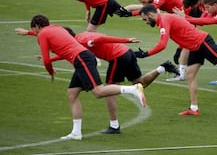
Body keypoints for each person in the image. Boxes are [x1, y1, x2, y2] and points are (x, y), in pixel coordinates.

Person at [15, 27, 179, 134]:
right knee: (140, 82)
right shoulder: (82, 35)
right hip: (127, 53)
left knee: (108, 91)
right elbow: (65, 50)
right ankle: (162, 68)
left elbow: (101, 40)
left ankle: (114, 126)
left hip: (118, 57)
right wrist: (49, 56)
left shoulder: (81, 40)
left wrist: (126, 39)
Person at [25, 14, 146, 140]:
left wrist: (51, 72)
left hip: (82, 59)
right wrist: (27, 33)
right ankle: (76, 133)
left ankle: (133, 89)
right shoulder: (57, 28)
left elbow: (46, 60)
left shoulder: (43, 34)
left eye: (34, 30)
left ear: (37, 27)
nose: (35, 33)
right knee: (72, 94)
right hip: (82, 59)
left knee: (98, 92)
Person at [125, 0, 187, 81]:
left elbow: (150, 11)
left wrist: (130, 14)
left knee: (188, 42)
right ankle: (181, 72)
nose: (143, 4)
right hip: (176, 15)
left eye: (144, 1)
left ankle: (181, 73)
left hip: (183, 15)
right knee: (186, 41)